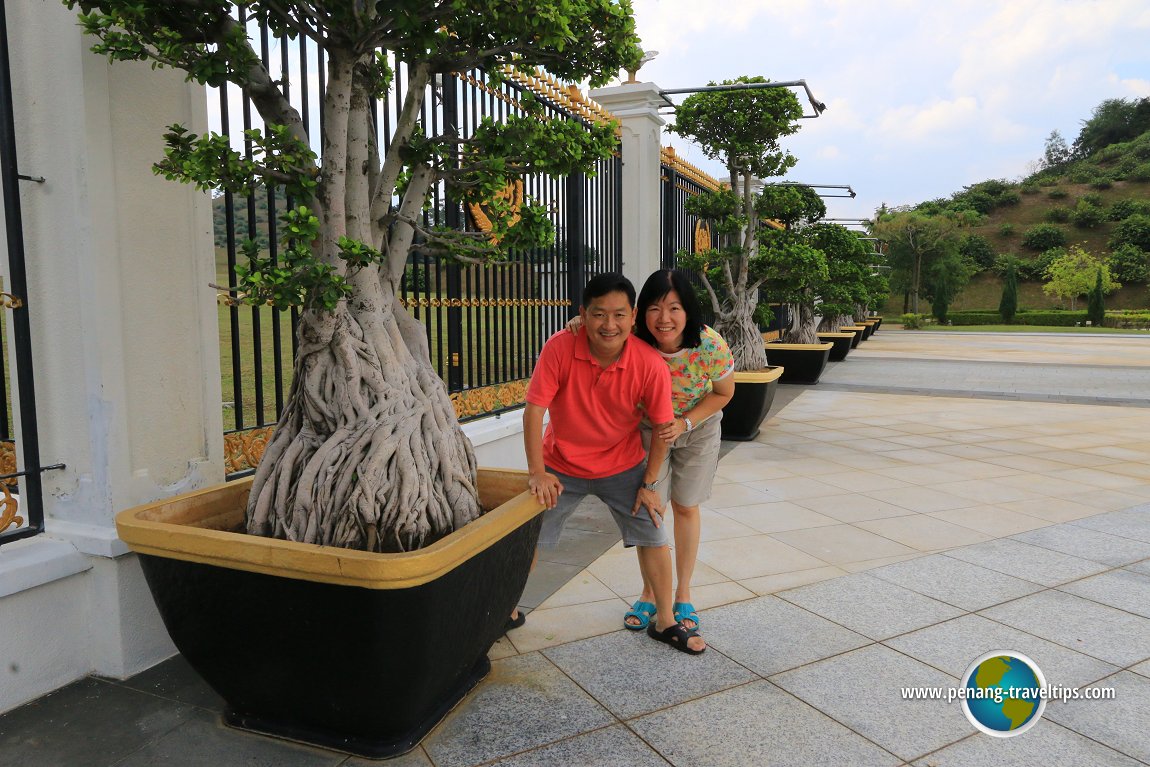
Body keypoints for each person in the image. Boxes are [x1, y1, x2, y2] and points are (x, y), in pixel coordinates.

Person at [520, 272, 705, 655]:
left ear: (633, 316)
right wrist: (538, 472)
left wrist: (649, 484)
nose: (609, 325)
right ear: (582, 314)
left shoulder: (649, 363)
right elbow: (534, 410)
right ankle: (503, 611)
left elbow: (659, 426)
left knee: (654, 532)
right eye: (599, 314)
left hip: (622, 466)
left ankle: (666, 621)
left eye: (619, 315)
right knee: (526, 536)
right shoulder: (558, 348)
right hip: (561, 467)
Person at [624, 269, 734, 632]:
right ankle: (651, 592)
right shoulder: (633, 341)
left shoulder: (709, 345)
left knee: (686, 506)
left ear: (688, 310)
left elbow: (724, 393)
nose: (664, 319)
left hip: (697, 429)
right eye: (654, 308)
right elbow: (594, 329)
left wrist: (685, 422)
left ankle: (683, 593)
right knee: (651, 509)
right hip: (647, 431)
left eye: (674, 308)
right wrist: (579, 321)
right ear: (641, 313)